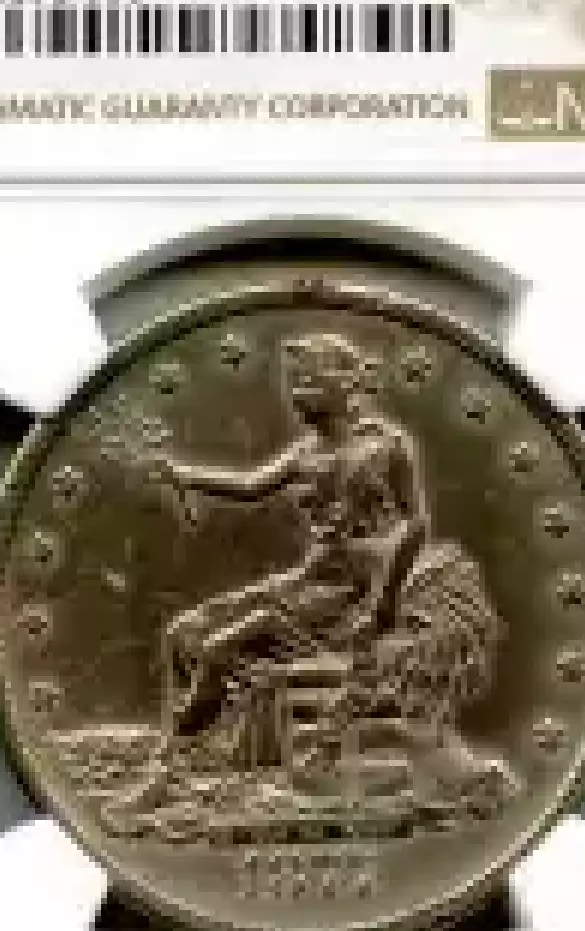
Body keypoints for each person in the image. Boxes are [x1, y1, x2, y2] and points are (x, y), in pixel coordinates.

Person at [110, 332, 428, 814]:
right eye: (292, 383)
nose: (295, 394)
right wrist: (182, 474)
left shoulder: (386, 446)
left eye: (306, 382)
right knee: (183, 633)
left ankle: (169, 770)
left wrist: (386, 600)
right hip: (310, 581)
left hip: (354, 593)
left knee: (218, 648)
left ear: (343, 384)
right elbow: (250, 485)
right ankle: (206, 751)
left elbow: (416, 524)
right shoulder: (305, 453)